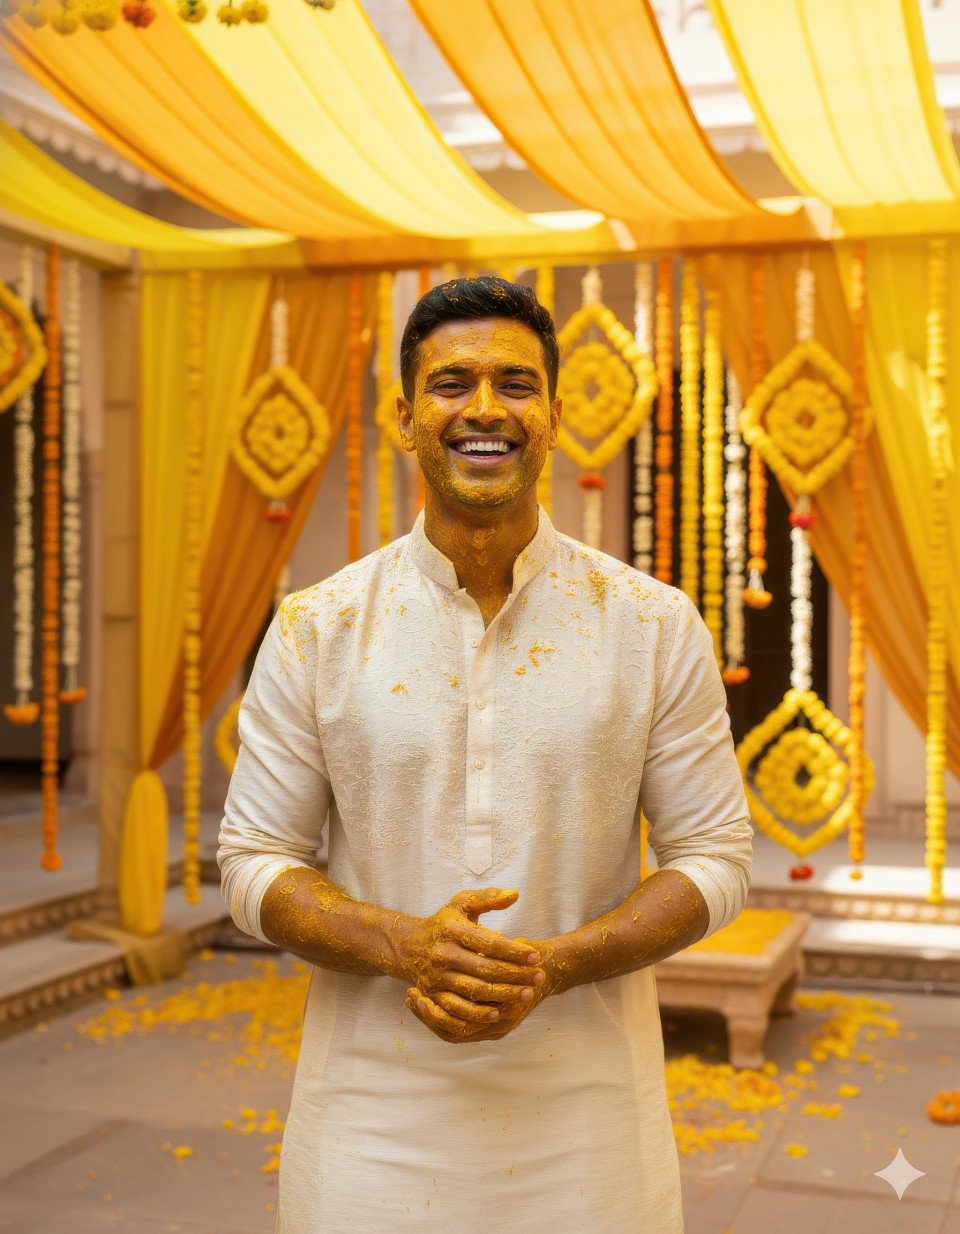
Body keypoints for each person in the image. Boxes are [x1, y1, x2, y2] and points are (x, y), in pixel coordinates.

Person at [218, 276, 753, 1233]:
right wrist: (403, 946)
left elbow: (715, 860)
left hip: (590, 1131)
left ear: (552, 413)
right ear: (405, 416)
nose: (483, 408)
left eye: (515, 383)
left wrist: (553, 964)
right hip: (369, 1127)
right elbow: (254, 862)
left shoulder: (653, 624)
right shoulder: (317, 626)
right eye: (451, 382)